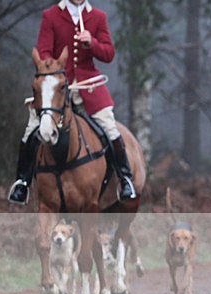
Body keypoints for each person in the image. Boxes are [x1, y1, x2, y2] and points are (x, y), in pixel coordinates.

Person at [8, 0, 136, 205]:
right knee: (32, 128)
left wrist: (92, 43)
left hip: (88, 86)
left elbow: (108, 53)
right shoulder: (51, 15)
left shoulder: (98, 17)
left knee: (109, 126)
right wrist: (56, 68)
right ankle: (22, 183)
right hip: (57, 84)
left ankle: (125, 178)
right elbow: (43, 52)